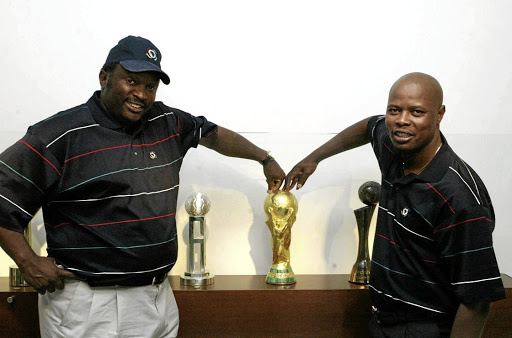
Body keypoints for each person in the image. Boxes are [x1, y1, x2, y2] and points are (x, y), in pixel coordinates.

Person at [0, 35, 285, 338]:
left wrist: (264, 158)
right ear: (104, 77)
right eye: (131, 81)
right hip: (87, 305)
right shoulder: (60, 134)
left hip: (156, 296)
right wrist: (27, 261)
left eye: (150, 86)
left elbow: (210, 133)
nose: (141, 94)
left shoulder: (167, 121)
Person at [284, 72, 505, 337]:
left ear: (439, 114)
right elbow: (369, 126)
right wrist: (314, 158)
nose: (402, 120)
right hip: (382, 323)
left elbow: (477, 301)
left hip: (428, 330)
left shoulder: (459, 198)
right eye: (394, 110)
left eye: (417, 112)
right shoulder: (394, 149)